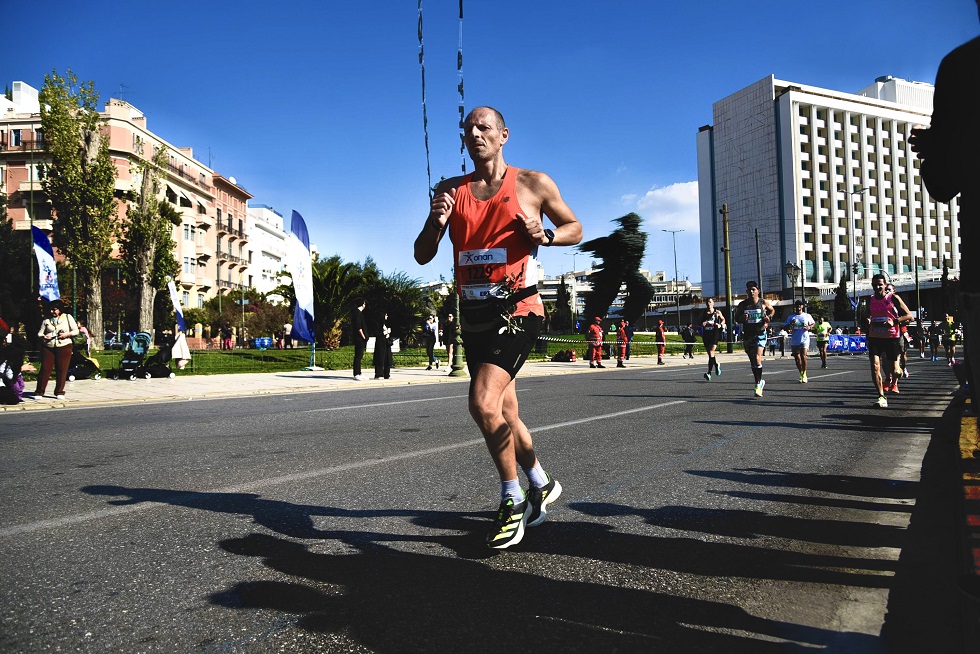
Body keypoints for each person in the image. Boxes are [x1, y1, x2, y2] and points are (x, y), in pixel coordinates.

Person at [413, 105, 583, 549]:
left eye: (483, 127)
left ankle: (511, 500)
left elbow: (575, 227)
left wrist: (544, 235)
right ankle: (540, 482)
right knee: (506, 412)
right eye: (467, 128)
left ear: (503, 135)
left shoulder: (532, 184)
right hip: (474, 317)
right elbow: (421, 255)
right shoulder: (451, 190)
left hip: (518, 310)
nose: (474, 133)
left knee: (483, 402)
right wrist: (436, 221)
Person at [865, 273, 914, 407]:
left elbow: (909, 316)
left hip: (891, 337)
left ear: (885, 285)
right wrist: (867, 320)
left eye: (880, 284)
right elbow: (866, 315)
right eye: (874, 285)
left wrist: (895, 321)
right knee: (875, 366)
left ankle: (898, 371)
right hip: (875, 337)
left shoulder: (893, 298)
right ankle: (881, 396)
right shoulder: (870, 300)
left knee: (894, 370)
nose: (877, 287)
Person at [33, 300, 79, 400]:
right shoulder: (46, 320)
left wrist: (67, 334)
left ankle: (59, 391)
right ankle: (39, 391)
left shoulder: (67, 317)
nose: (52, 312)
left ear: (60, 309)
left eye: (55, 309)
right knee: (45, 368)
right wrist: (44, 336)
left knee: (62, 369)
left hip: (64, 345)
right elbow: (40, 333)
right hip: (49, 346)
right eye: (51, 310)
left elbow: (76, 331)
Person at [735, 281, 775, 397]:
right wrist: (742, 318)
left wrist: (769, 317)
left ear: (758, 291)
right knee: (753, 360)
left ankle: (757, 385)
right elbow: (736, 318)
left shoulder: (763, 302)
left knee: (757, 357)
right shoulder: (743, 305)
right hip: (748, 334)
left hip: (760, 333)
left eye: (753, 289)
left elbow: (772, 310)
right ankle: (759, 380)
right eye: (749, 290)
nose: (751, 292)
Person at [785, 299, 815, 383]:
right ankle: (801, 373)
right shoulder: (791, 317)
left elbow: (813, 323)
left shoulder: (807, 316)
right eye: (797, 305)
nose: (799, 306)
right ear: (795, 306)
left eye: (800, 305)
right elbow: (785, 327)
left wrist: (809, 327)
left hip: (804, 338)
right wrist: (791, 323)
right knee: (797, 359)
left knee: (803, 356)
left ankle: (804, 374)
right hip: (795, 339)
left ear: (802, 306)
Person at [699, 297, 725, 380]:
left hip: (715, 333)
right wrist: (702, 324)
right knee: (710, 354)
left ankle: (709, 372)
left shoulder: (717, 312)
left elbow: (723, 319)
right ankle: (716, 364)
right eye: (707, 302)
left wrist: (720, 325)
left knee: (711, 352)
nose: (708, 303)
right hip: (706, 334)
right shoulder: (703, 313)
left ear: (713, 303)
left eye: (710, 302)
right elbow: (698, 322)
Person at [373, 312, 394, 380]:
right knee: (380, 358)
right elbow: (377, 333)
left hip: (387, 343)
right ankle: (379, 374)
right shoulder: (377, 324)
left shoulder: (386, 323)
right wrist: (385, 332)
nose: (387, 316)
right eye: (386, 315)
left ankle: (386, 374)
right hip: (380, 343)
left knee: (387, 358)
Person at [351, 299, 367, 381]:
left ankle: (359, 373)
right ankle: (356, 373)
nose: (365, 305)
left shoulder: (359, 313)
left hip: (360, 337)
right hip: (359, 338)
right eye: (364, 303)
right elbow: (358, 327)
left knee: (360, 355)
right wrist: (363, 336)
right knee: (358, 355)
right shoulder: (357, 313)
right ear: (362, 304)